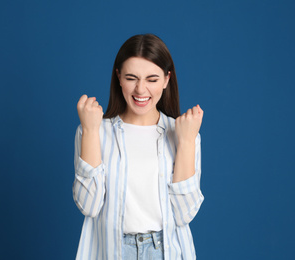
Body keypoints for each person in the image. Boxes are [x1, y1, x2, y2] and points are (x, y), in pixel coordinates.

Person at [73, 34, 204, 259]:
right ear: (119, 78)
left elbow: (184, 214)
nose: (141, 90)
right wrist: (91, 131)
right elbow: (89, 206)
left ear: (166, 80)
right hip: (113, 250)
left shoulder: (184, 133)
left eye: (152, 79)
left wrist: (186, 142)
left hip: (165, 251)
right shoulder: (95, 130)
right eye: (132, 78)